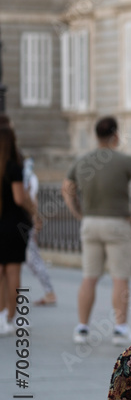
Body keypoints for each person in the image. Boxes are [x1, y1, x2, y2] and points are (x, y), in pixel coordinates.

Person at [62, 116, 131, 345]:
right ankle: (120, 328)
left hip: (90, 222)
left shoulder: (82, 161)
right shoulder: (125, 160)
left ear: (96, 136)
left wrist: (77, 212)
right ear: (115, 135)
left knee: (89, 277)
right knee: (120, 279)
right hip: (118, 224)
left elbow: (67, 188)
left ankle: (82, 328)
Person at [0, 126, 37, 336]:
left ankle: (0, 315)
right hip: (13, 225)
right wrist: (35, 212)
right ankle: (10, 318)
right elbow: (19, 198)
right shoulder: (13, 168)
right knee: (13, 272)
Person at [23, 157, 58, 306]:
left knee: (31, 259)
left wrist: (35, 218)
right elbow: (34, 200)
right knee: (32, 259)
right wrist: (36, 218)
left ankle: (49, 292)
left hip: (19, 220)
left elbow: (28, 199)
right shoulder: (31, 177)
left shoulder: (23, 176)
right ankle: (49, 292)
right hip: (25, 221)